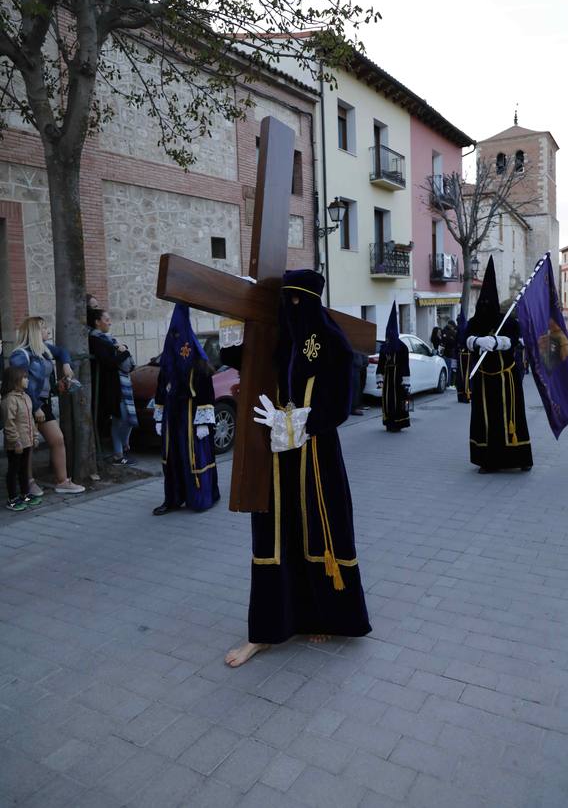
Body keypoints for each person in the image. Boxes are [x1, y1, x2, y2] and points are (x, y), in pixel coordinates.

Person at [223, 269, 371, 667]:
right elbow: (252, 364)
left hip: (316, 452)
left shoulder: (331, 342)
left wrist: (299, 424)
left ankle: (321, 615)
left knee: (318, 527)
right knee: (275, 530)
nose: (291, 309)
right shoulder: (280, 337)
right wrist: (232, 333)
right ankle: (267, 631)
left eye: (296, 301)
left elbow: (341, 401)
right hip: (275, 453)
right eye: (284, 301)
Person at [466, 257, 533, 474]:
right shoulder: (474, 322)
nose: (484, 306)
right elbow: (463, 338)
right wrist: (476, 341)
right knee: (486, 420)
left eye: (488, 302)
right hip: (484, 379)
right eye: (481, 302)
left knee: (512, 418)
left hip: (506, 379)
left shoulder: (507, 321)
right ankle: (488, 460)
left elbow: (515, 339)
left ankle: (521, 457)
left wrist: (499, 342)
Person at [152, 304, 220, 516]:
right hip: (172, 418)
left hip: (191, 417)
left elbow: (206, 393)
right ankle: (172, 498)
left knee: (193, 457)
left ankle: (200, 497)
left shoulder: (199, 364)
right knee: (171, 458)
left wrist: (203, 421)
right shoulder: (168, 365)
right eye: (173, 335)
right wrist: (159, 414)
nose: (176, 340)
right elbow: (161, 390)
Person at [10, 317, 85, 495]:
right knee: (28, 445)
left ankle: (63, 482)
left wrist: (66, 366)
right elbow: (20, 384)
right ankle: (27, 483)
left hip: (42, 403)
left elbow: (62, 352)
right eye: (43, 328)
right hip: (27, 405)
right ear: (34, 332)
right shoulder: (20, 355)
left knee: (57, 439)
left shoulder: (43, 350)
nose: (47, 331)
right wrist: (35, 407)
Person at [89, 309, 138, 464]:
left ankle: (122, 448)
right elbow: (108, 362)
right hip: (110, 387)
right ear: (97, 322)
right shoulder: (96, 340)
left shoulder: (109, 339)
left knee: (127, 419)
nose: (110, 322)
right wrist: (124, 352)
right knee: (121, 418)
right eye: (107, 319)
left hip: (120, 385)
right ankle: (119, 453)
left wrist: (122, 350)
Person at [1, 367, 43, 511]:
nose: (27, 380)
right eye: (24, 378)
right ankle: (12, 499)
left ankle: (25, 494)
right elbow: (9, 423)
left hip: (27, 441)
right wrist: (15, 441)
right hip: (17, 443)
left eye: (27, 377)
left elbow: (31, 420)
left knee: (24, 469)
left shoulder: (26, 397)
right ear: (14, 381)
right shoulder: (9, 400)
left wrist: (35, 436)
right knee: (13, 469)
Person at [376, 301, 410, 432]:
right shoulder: (384, 347)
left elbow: (405, 365)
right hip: (388, 379)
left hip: (398, 379)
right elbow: (380, 363)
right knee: (387, 400)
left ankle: (398, 423)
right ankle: (389, 422)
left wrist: (406, 381)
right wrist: (380, 378)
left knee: (398, 400)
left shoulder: (403, 347)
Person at [455, 310, 471, 404]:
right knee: (464, 376)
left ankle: (463, 395)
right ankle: (465, 395)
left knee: (463, 376)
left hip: (464, 355)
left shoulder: (460, 330)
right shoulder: (464, 330)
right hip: (465, 355)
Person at [441, 320, 458, 388]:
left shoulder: (446, 331)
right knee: (449, 369)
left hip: (448, 353)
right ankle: (448, 384)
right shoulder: (448, 332)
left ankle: (449, 383)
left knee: (450, 369)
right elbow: (451, 342)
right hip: (449, 353)